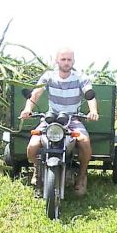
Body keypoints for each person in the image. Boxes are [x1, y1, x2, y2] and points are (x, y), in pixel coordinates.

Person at [20, 48, 99, 196]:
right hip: (51, 118)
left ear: (73, 61)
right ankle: (37, 170)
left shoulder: (80, 77)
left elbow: (89, 95)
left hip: (72, 119)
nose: (66, 62)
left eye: (69, 59)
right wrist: (27, 109)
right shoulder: (49, 76)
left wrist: (93, 111)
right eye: (63, 59)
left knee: (85, 142)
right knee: (32, 146)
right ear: (57, 61)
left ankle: (82, 176)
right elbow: (36, 94)